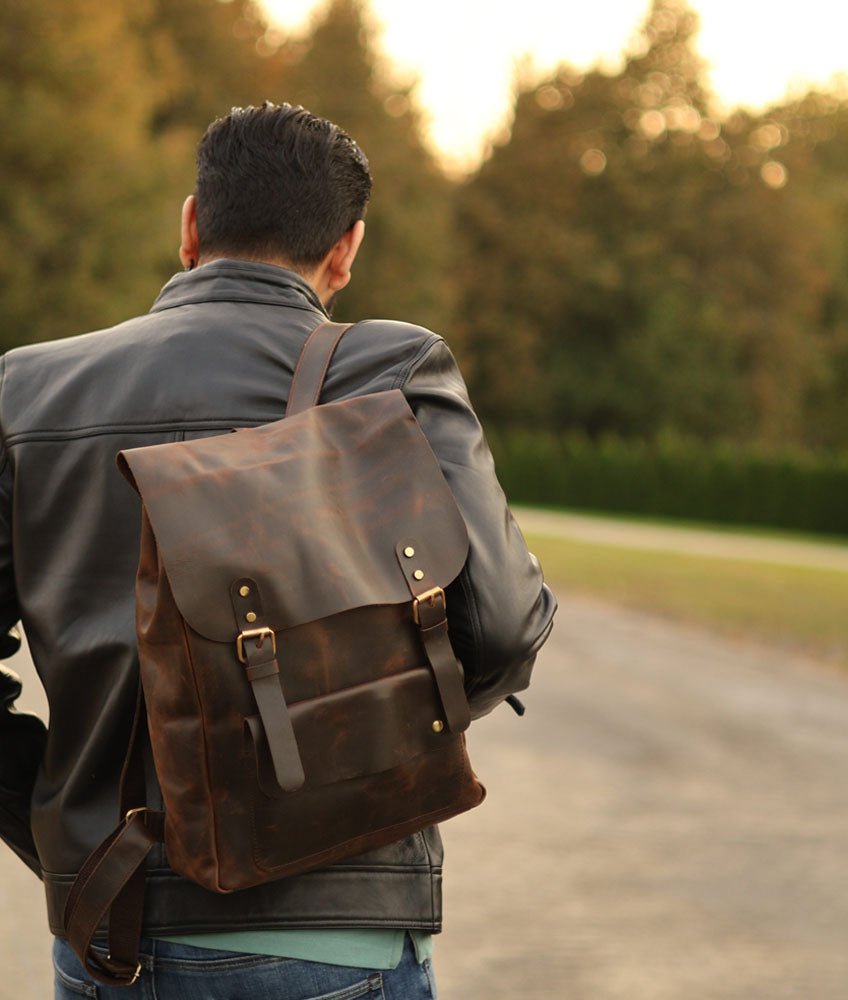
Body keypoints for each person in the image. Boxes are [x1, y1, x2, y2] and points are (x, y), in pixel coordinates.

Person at [0, 102, 555, 998]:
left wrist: (64, 829)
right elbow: (502, 628)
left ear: (190, 225)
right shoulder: (393, 369)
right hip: (328, 931)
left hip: (109, 932)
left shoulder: (22, 389)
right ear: (346, 249)